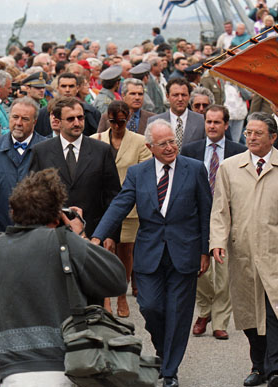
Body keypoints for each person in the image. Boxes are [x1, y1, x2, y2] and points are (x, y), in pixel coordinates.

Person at [91, 119, 211, 387]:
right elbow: (120, 204)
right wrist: (98, 236)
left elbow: (206, 211)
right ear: (149, 147)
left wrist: (205, 251)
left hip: (184, 252)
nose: (169, 147)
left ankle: (169, 371)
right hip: (149, 252)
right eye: (163, 144)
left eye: (172, 142)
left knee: (178, 313)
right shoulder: (138, 173)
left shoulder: (194, 169)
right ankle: (164, 351)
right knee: (150, 307)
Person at [0, 168, 126, 386]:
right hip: (61, 367)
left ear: (14, 210)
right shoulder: (63, 241)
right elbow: (117, 279)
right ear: (57, 214)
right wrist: (80, 235)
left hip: (9, 370)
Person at [210, 112, 278, 387]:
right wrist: (217, 241)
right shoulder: (230, 168)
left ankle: (276, 369)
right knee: (249, 313)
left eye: (258, 133)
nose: (252, 138)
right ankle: (258, 365)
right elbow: (220, 211)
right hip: (243, 253)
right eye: (248, 133)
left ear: (273, 137)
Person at [181, 105, 246, 341]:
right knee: (200, 270)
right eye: (208, 121)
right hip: (197, 216)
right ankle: (205, 310)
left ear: (226, 125)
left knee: (224, 271)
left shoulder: (239, 152)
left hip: (227, 216)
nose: (212, 126)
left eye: (217, 122)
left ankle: (220, 321)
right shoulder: (190, 150)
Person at [29, 97, 121, 243]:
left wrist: (110, 235)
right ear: (58, 122)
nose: (77, 123)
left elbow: (113, 197)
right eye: (70, 119)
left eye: (80, 118)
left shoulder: (101, 150)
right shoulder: (41, 152)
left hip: (94, 236)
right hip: (51, 235)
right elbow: (33, 196)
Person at [93, 101, 152, 317]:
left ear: (128, 119)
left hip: (130, 206)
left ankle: (121, 294)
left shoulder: (140, 141)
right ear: (107, 119)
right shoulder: (95, 140)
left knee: (125, 252)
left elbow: (145, 172)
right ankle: (106, 298)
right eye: (113, 121)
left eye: (121, 121)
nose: (117, 126)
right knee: (104, 251)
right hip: (103, 205)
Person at [0, 97, 45, 236]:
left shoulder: (46, 150)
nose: (18, 123)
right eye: (15, 117)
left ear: (34, 122)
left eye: (25, 119)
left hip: (37, 233)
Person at [148, 78, 205, 150]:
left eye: (183, 95)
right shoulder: (154, 122)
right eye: (175, 95)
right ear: (167, 96)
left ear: (189, 96)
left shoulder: (201, 121)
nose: (180, 99)